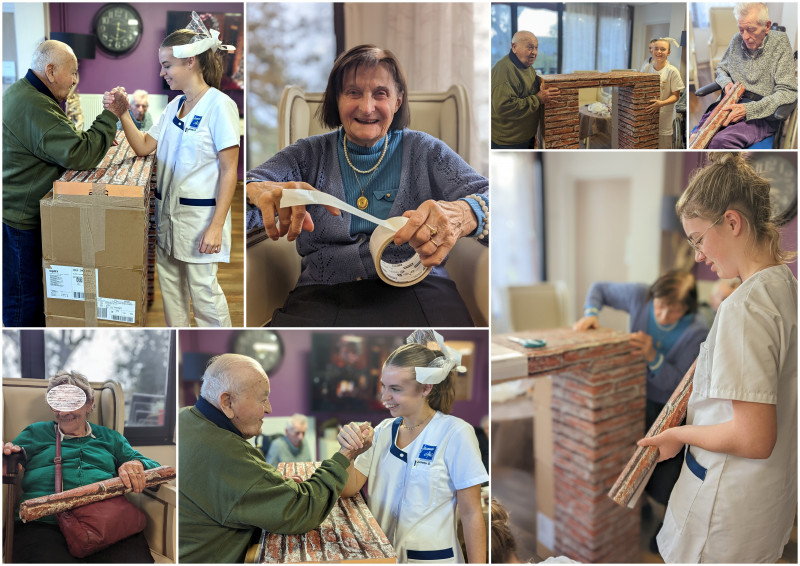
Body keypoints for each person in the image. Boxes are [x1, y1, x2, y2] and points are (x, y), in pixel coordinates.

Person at [247, 45, 489, 327]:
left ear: (398, 101)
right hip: (323, 293)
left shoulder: (425, 150)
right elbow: (252, 190)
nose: (366, 107)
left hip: (419, 288)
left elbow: (490, 197)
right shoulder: (307, 154)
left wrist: (465, 213)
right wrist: (254, 192)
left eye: (380, 93)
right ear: (336, 100)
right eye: (353, 92)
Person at [639, 153, 797, 563]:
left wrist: (678, 436)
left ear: (732, 222)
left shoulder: (745, 308)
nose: (697, 256)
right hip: (763, 504)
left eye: (697, 238)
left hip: (724, 513)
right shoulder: (785, 287)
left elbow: (753, 437)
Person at [106, 14, 239, 327]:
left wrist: (217, 226)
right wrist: (123, 113)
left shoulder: (220, 106)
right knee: (173, 298)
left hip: (200, 222)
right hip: (166, 218)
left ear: (189, 61)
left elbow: (230, 170)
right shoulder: (172, 107)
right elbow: (142, 145)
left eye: (166, 65)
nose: (161, 72)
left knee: (205, 296)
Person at [178, 354, 374, 563]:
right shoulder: (226, 451)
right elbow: (303, 509)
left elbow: (232, 492)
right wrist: (345, 454)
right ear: (227, 402)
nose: (269, 408)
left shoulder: (184, 417)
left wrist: (272, 487)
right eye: (262, 399)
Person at [2, 40, 128, 327]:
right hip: (24, 219)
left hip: (16, 210)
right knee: (25, 300)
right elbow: (79, 153)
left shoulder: (23, 93)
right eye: (72, 73)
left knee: (25, 292)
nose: (74, 81)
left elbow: (62, 141)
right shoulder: (34, 104)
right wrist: (110, 116)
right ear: (50, 70)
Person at [338, 330, 489, 563]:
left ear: (426, 388)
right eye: (384, 386)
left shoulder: (456, 434)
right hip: (383, 557)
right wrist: (348, 451)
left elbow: (471, 513)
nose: (384, 397)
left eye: (395, 389)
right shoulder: (381, 431)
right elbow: (349, 488)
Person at [573, 272, 708, 510]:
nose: (665, 316)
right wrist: (591, 315)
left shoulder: (696, 330)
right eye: (660, 306)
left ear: (687, 308)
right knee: (629, 458)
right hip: (632, 395)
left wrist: (653, 357)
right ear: (652, 297)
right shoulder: (639, 296)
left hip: (669, 408)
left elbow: (680, 384)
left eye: (674, 310)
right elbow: (599, 288)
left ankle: (667, 515)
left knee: (664, 472)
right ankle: (637, 509)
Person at [3, 371, 161, 563]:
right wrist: (7, 456)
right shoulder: (36, 432)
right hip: (43, 524)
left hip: (106, 524)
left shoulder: (110, 438)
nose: (63, 412)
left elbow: (153, 467)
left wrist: (135, 464)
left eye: (71, 403)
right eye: (58, 404)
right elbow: (10, 455)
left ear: (89, 404)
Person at [695, 2, 797, 148]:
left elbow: (787, 91)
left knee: (719, 142)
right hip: (730, 104)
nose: (745, 36)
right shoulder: (737, 39)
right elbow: (721, 69)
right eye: (741, 29)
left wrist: (748, 110)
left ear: (766, 26)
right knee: (699, 137)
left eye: (751, 29)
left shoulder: (780, 43)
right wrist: (726, 83)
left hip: (761, 113)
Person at [490, 30, 560, 149]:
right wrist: (538, 99)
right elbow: (504, 107)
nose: (534, 53)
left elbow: (527, 90)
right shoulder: (504, 70)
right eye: (530, 47)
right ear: (514, 47)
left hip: (526, 137)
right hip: (509, 142)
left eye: (536, 48)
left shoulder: (526, 66)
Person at [643, 38, 684, 149]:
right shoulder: (646, 69)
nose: (659, 52)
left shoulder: (672, 71)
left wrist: (660, 104)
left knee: (662, 149)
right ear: (652, 51)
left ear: (668, 52)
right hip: (647, 118)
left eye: (663, 49)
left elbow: (676, 96)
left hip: (664, 119)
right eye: (656, 49)